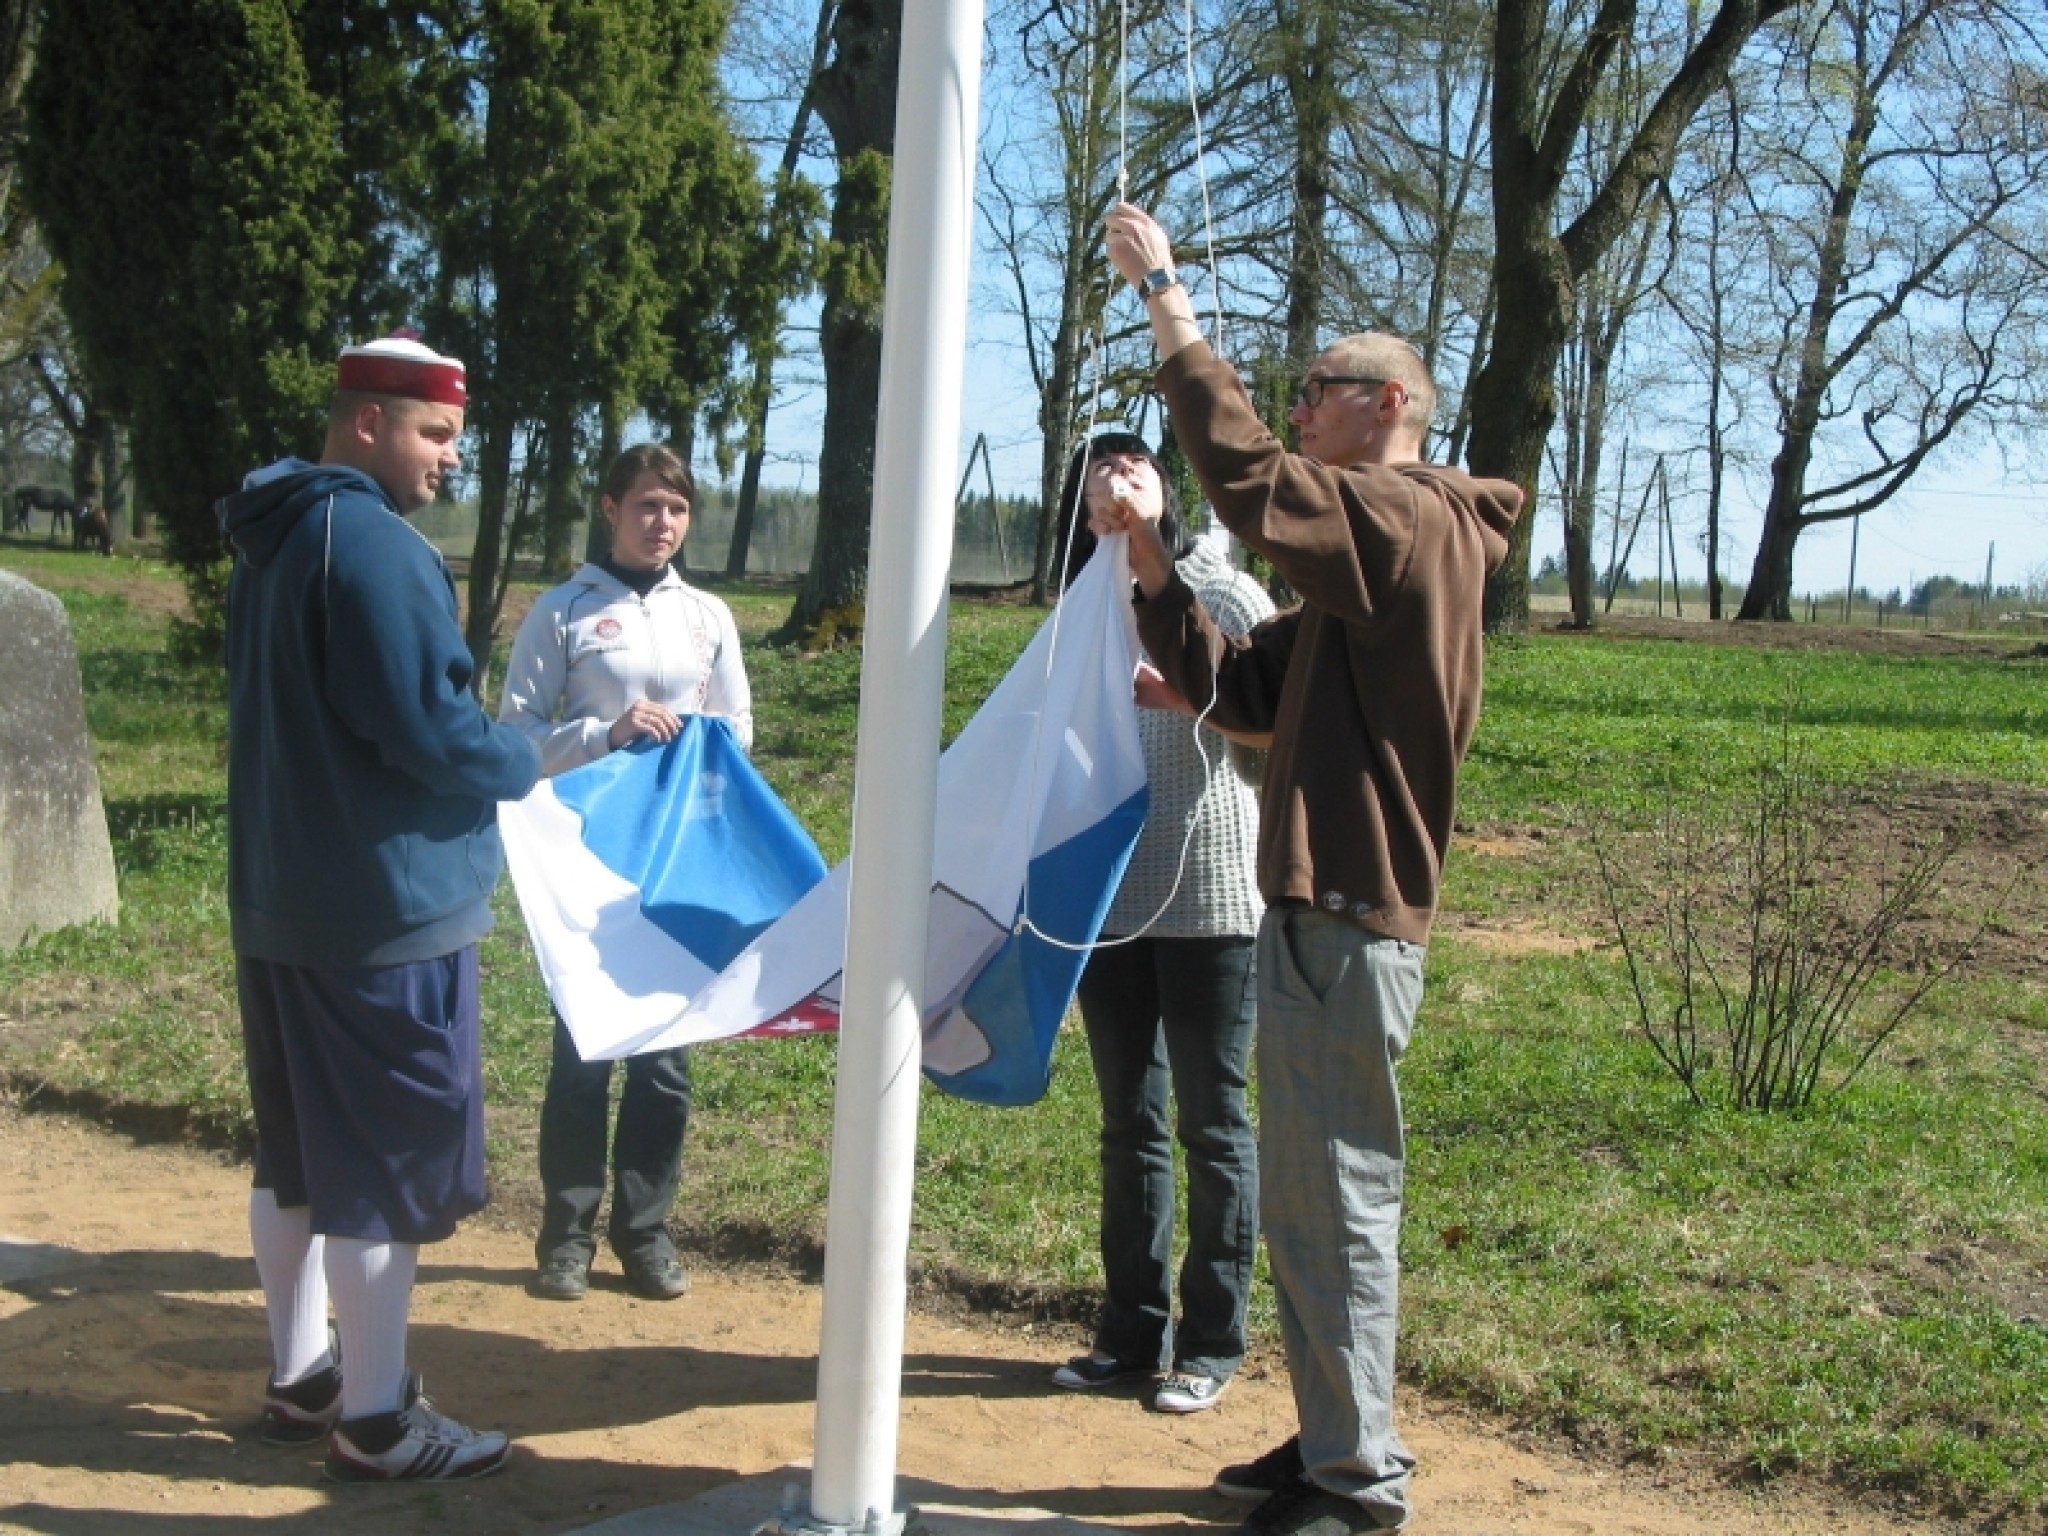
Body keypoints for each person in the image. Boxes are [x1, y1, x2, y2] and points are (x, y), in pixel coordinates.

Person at [1097, 203, 1523, 1534]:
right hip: (1313, 909)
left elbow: (1257, 486)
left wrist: (1167, 298)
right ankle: (1337, 1434)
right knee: (1307, 1197)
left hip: (1344, 908)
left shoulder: (1412, 521)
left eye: (1318, 392)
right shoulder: (1372, 562)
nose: (1301, 407)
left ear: (1386, 405)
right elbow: (1252, 686)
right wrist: (1155, 572)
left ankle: (1359, 1483)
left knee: (1337, 1198)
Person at [219, 335, 542, 1483]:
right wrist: (527, 760)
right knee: (382, 1171)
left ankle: (304, 1375)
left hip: (279, 897)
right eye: (436, 433)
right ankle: (376, 1422)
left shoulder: (268, 539)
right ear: (367, 423)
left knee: (297, 1157)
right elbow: (431, 731)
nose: (451, 459)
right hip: (381, 910)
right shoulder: (376, 547)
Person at [1044, 431, 1272, 1415]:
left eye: (1132, 470)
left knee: (1211, 1126)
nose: (1115, 484)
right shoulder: (1075, 610)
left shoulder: (1221, 595)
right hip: (1108, 900)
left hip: (1212, 898)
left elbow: (1271, 732)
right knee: (1126, 1124)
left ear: (1164, 494)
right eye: (1098, 474)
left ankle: (1212, 1341)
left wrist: (1182, 696)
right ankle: (1130, 1333)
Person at [498, 442, 752, 1304]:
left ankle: (646, 1234)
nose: (663, 524)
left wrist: (702, 749)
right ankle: (564, 1240)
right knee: (583, 1053)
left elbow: (737, 735)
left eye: (677, 510)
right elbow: (516, 738)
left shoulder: (708, 617)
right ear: (610, 509)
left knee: (666, 1060)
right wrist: (604, 735)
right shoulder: (563, 613)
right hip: (585, 862)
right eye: (647, 506)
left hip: (676, 864)